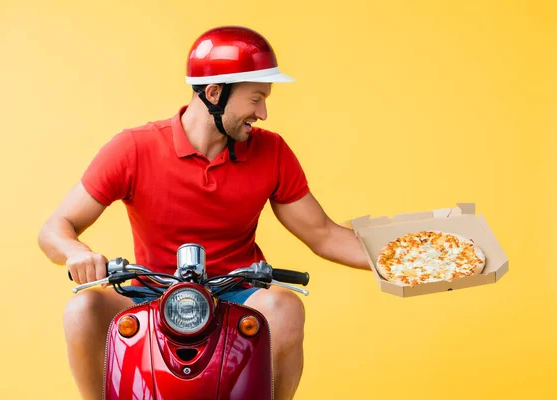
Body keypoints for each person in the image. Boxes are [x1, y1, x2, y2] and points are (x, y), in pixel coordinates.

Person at [38, 25, 371, 400]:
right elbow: (55, 228)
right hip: (151, 292)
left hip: (238, 293)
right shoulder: (134, 148)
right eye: (256, 99)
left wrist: (397, 260)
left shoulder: (272, 152)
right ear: (214, 93)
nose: (263, 113)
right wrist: (76, 253)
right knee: (81, 308)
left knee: (285, 306)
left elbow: (323, 233)